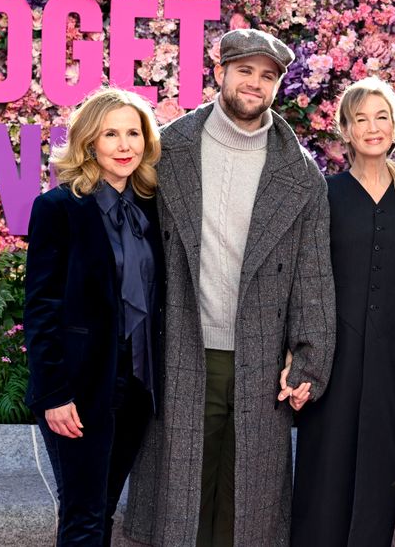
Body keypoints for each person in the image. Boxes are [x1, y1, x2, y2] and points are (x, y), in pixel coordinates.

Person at [124, 28, 336, 547]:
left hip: (260, 358)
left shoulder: (300, 173)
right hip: (180, 347)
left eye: (267, 76)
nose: (254, 83)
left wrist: (310, 360)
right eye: (244, 70)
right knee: (182, 499)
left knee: (245, 507)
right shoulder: (167, 149)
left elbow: (312, 274)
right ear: (220, 72)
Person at [290, 77, 395, 547]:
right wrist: (295, 356)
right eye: (361, 119)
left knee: (379, 479)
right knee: (323, 478)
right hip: (331, 363)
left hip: (392, 366)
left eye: (382, 117)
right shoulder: (323, 197)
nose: (372, 128)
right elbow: (298, 282)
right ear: (345, 131)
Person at [23, 87, 165, 546]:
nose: (125, 146)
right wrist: (54, 394)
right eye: (111, 134)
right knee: (83, 515)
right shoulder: (58, 208)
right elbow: (41, 308)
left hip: (137, 385)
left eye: (133, 133)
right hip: (78, 388)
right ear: (89, 141)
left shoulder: (152, 209)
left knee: (102, 509)